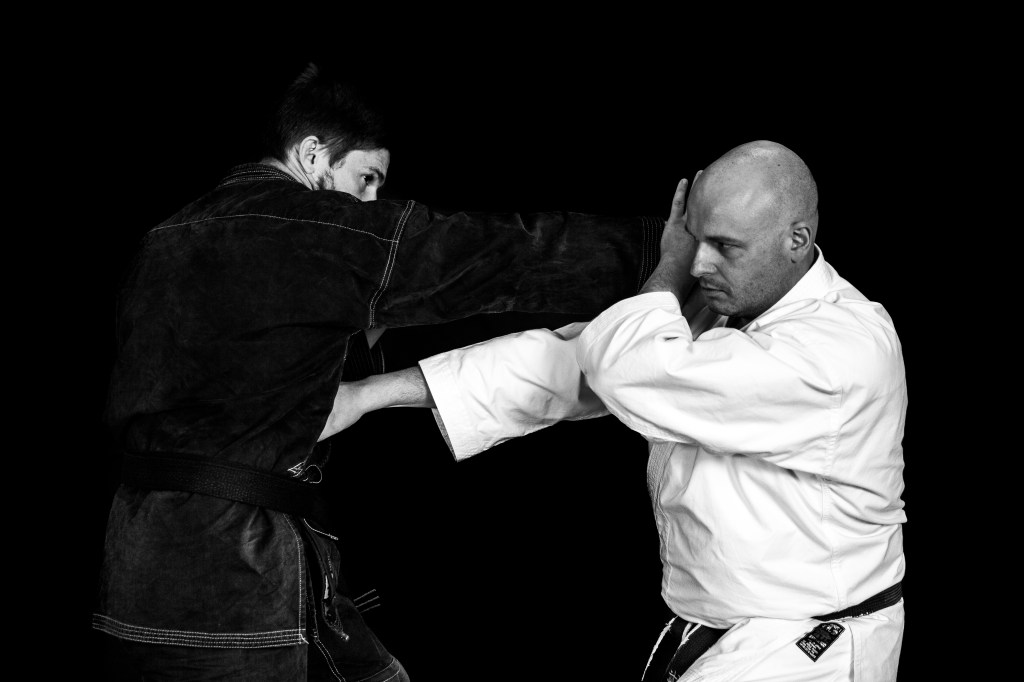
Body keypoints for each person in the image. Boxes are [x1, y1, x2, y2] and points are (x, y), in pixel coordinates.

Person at [93, 62, 670, 680]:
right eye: (365, 178)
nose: (370, 202)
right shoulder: (317, 228)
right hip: (232, 569)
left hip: (136, 553)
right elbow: (500, 253)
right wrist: (674, 248)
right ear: (312, 154)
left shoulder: (163, 239)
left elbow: (246, 376)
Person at [322, 141, 908, 680]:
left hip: (811, 647)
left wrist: (668, 265)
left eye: (724, 247)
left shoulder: (839, 352)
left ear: (797, 240)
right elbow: (573, 364)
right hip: (727, 634)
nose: (700, 265)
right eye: (693, 239)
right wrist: (367, 395)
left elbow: (629, 368)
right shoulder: (725, 312)